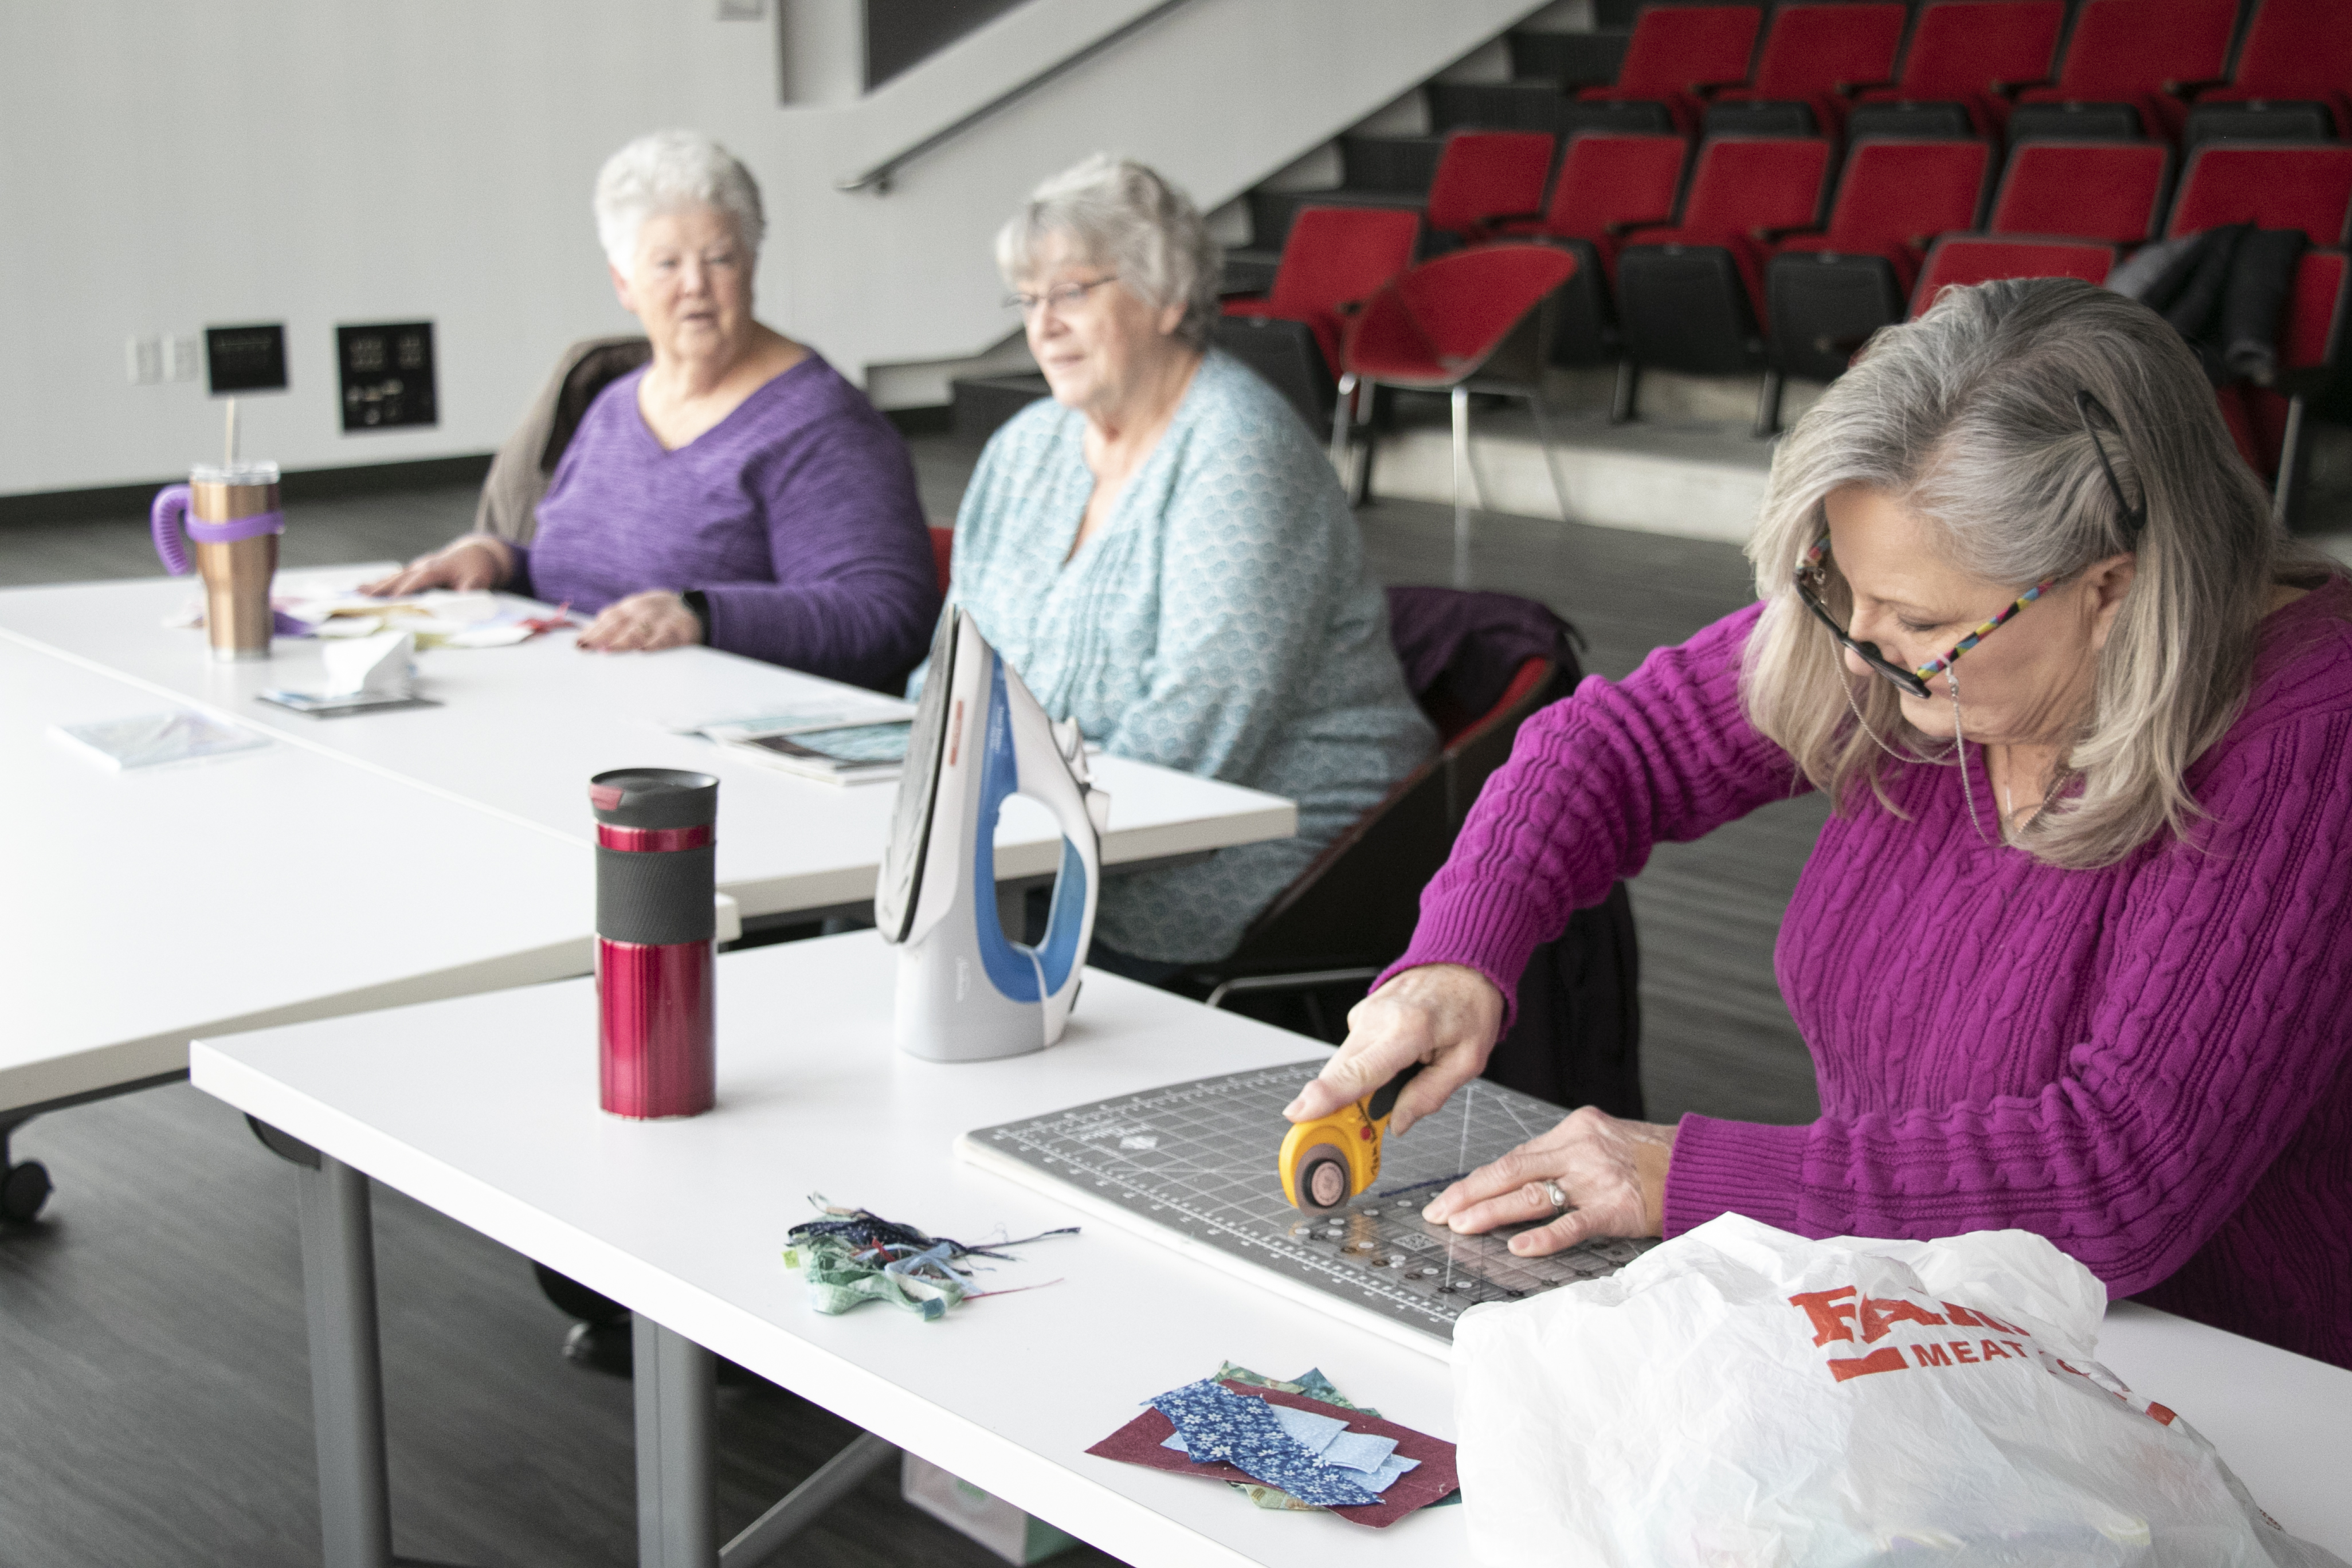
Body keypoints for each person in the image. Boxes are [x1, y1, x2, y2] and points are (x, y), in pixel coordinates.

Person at [1287, 279, 2352, 1367]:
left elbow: (2118, 1172)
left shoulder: (2308, 734)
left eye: (1917, 620)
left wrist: (1682, 1177)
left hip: (2224, 1387)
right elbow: (1609, 750)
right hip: (1923, 1325)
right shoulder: (1917, 644)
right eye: (1840, 589)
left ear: (2110, 588)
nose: (1857, 652)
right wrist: (1455, 959)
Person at [919, 154, 1436, 974]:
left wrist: (991, 822)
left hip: (1262, 829)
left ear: (1166, 296)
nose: (1041, 326)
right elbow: (957, 667)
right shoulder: (1024, 449)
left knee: (959, 953)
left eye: (1072, 294)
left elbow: (1202, 729)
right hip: (1056, 822)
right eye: (1028, 300)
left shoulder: (1238, 450)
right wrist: (917, 774)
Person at [364, 128, 938, 692]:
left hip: (721, 746)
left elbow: (885, 617)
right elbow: (584, 574)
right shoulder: (616, 407)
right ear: (624, 283)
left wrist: (703, 616)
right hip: (579, 708)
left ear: (752, 266)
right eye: (666, 264)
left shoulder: (823, 424)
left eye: (720, 259)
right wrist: (498, 560)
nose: (695, 285)